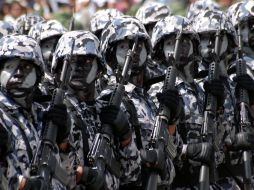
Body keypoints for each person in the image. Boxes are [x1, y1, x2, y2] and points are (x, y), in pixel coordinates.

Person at [100, 15, 176, 189]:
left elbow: (173, 157)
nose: (132, 52)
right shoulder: (109, 101)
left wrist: (173, 122)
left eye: (138, 45)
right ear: (111, 55)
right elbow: (117, 169)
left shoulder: (148, 97)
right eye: (124, 46)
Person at [51, 30, 133, 190]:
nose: (78, 68)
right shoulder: (56, 113)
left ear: (100, 69)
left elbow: (132, 173)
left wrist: (126, 137)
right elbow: (54, 177)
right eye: (71, 62)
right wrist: (83, 173)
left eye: (87, 61)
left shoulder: (108, 109)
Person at [0, 34, 69, 190]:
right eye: (10, 66)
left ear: (38, 74)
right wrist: (23, 185)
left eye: (26, 67)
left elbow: (69, 177)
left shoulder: (45, 116)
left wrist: (64, 141)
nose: (17, 73)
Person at [29, 19, 67, 96]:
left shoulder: (73, 79)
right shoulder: (32, 85)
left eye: (60, 45)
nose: (56, 51)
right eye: (47, 46)